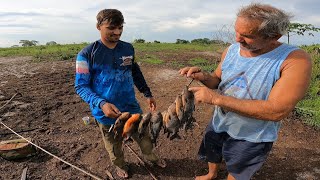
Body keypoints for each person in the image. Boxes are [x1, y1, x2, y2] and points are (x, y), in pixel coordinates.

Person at [180, 3, 312, 180]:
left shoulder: (294, 60)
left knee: (238, 169)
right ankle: (211, 174)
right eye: (237, 32)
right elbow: (217, 80)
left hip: (252, 134)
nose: (237, 39)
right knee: (213, 150)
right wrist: (203, 76)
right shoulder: (232, 50)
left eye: (247, 36)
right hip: (221, 121)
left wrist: (217, 99)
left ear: (274, 36)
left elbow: (276, 111)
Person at [74, 9, 166, 179]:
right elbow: (81, 86)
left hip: (131, 108)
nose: (116, 32)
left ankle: (151, 158)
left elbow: (135, 72)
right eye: (111, 28)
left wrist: (147, 93)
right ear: (98, 27)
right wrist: (102, 104)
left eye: (120, 27)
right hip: (107, 113)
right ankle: (120, 165)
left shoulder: (128, 48)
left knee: (145, 139)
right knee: (114, 146)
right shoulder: (86, 54)